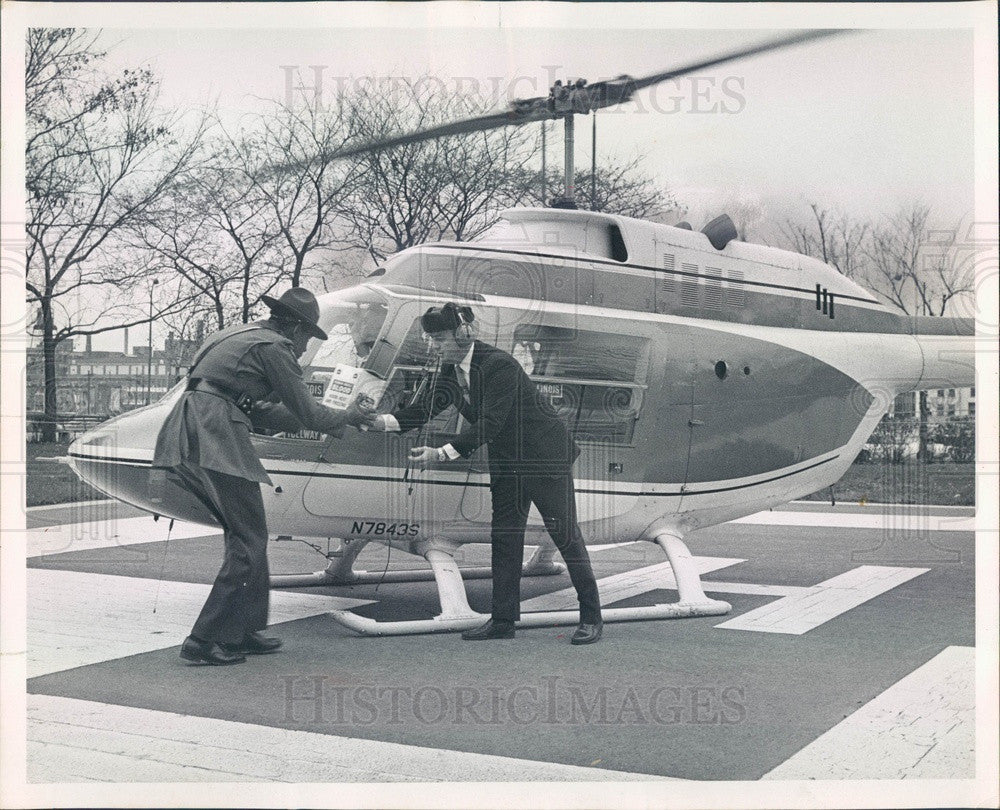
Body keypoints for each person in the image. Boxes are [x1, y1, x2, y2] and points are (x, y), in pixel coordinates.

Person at [152, 287, 374, 665]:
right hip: (215, 432)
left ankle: (240, 632)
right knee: (249, 538)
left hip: (195, 424)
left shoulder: (236, 335)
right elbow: (308, 414)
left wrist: (334, 419)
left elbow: (261, 412)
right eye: (307, 337)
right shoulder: (275, 348)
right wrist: (347, 416)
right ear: (294, 328)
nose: (305, 348)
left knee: (248, 532)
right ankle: (203, 640)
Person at [371, 303, 603, 644]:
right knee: (505, 538)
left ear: (463, 334)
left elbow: (490, 423)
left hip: (544, 458)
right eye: (430, 339)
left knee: (564, 534)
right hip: (508, 461)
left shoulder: (499, 365)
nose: (433, 346)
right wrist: (375, 422)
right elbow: (420, 411)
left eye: (438, 339)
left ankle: (592, 618)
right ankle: (503, 620)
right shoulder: (450, 373)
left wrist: (442, 453)